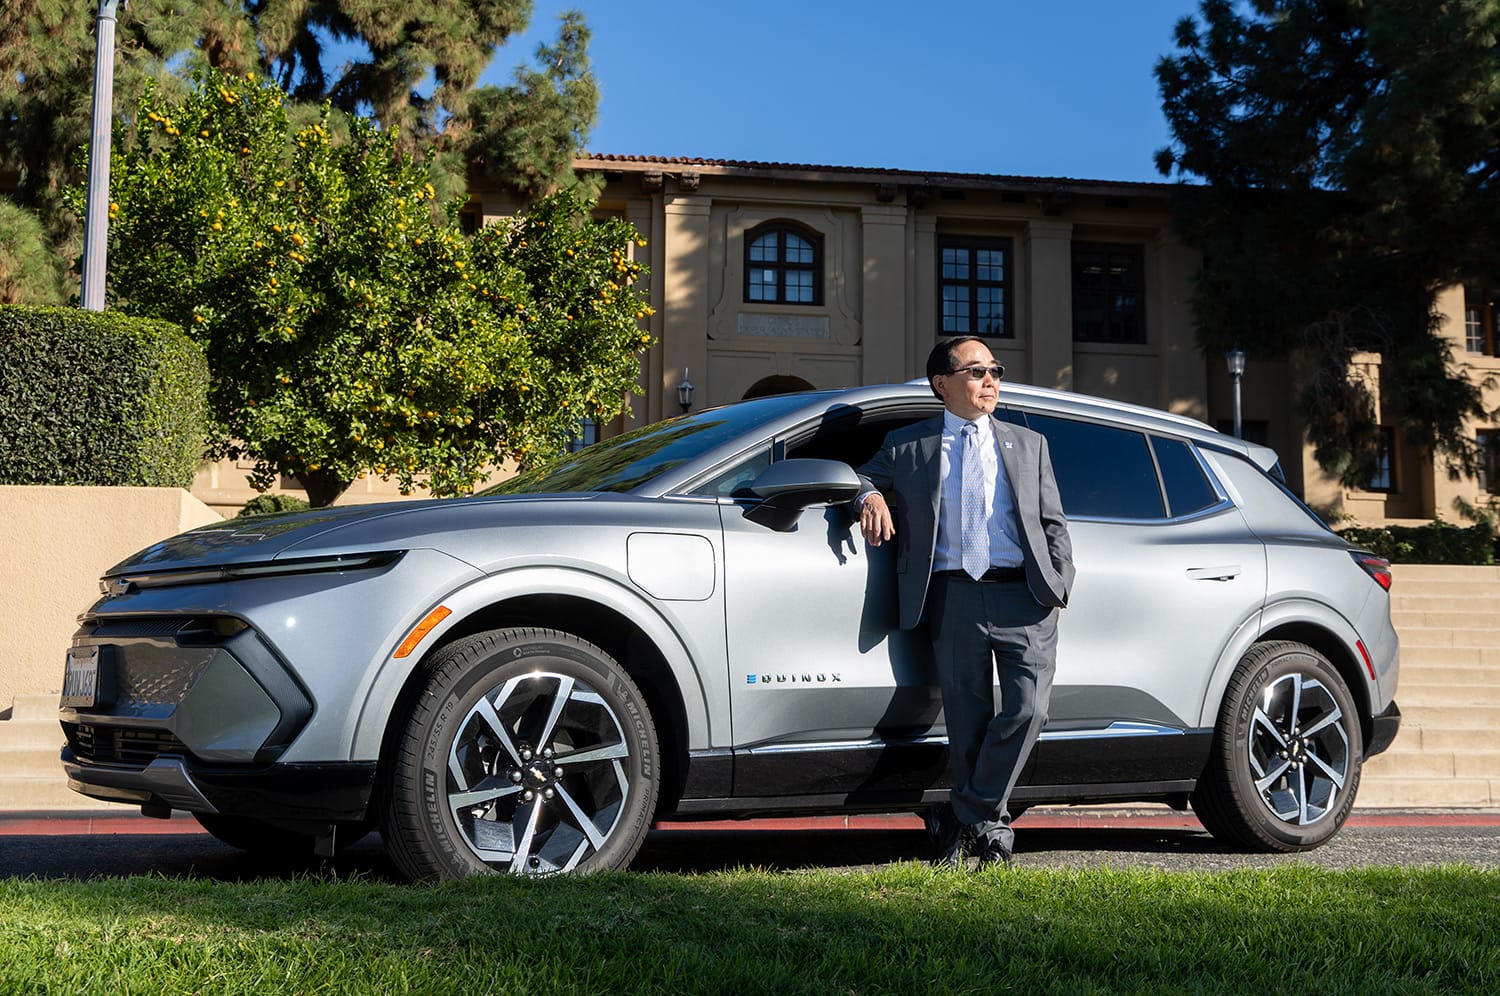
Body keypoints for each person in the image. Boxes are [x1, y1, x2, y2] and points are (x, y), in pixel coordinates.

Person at [855, 336, 1074, 869]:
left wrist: (1059, 579)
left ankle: (964, 814)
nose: (990, 380)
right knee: (967, 723)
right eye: (976, 372)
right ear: (942, 384)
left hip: (1025, 595)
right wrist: (872, 495)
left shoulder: (1030, 444)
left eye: (995, 370)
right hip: (953, 597)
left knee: (1029, 709)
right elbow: (858, 477)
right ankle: (990, 835)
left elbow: (1053, 522)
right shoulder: (909, 445)